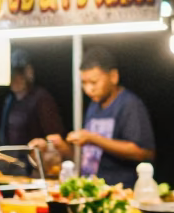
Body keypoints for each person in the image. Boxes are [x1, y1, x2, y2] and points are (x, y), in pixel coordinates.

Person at [42, 46, 156, 187]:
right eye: (84, 83)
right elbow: (88, 157)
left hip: (119, 190)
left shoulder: (129, 104)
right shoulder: (93, 106)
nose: (89, 89)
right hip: (90, 188)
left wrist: (93, 138)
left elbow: (142, 152)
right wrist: (62, 148)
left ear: (113, 77)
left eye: (94, 82)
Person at [0, 49, 67, 174]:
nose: (16, 79)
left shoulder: (41, 98)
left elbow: (54, 137)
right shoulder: (10, 100)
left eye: (19, 74)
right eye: (12, 74)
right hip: (10, 166)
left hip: (34, 168)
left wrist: (44, 147)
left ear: (28, 74)